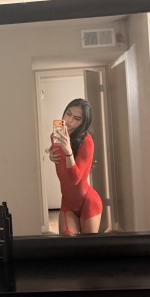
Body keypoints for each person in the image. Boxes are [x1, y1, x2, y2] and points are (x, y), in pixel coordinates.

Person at [48, 98, 103, 235]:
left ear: (83, 123)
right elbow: (61, 166)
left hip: (88, 202)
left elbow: (74, 179)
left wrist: (68, 151)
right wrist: (51, 155)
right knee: (67, 246)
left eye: (77, 119)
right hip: (67, 201)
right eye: (68, 113)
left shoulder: (86, 142)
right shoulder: (55, 137)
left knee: (88, 247)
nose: (69, 120)